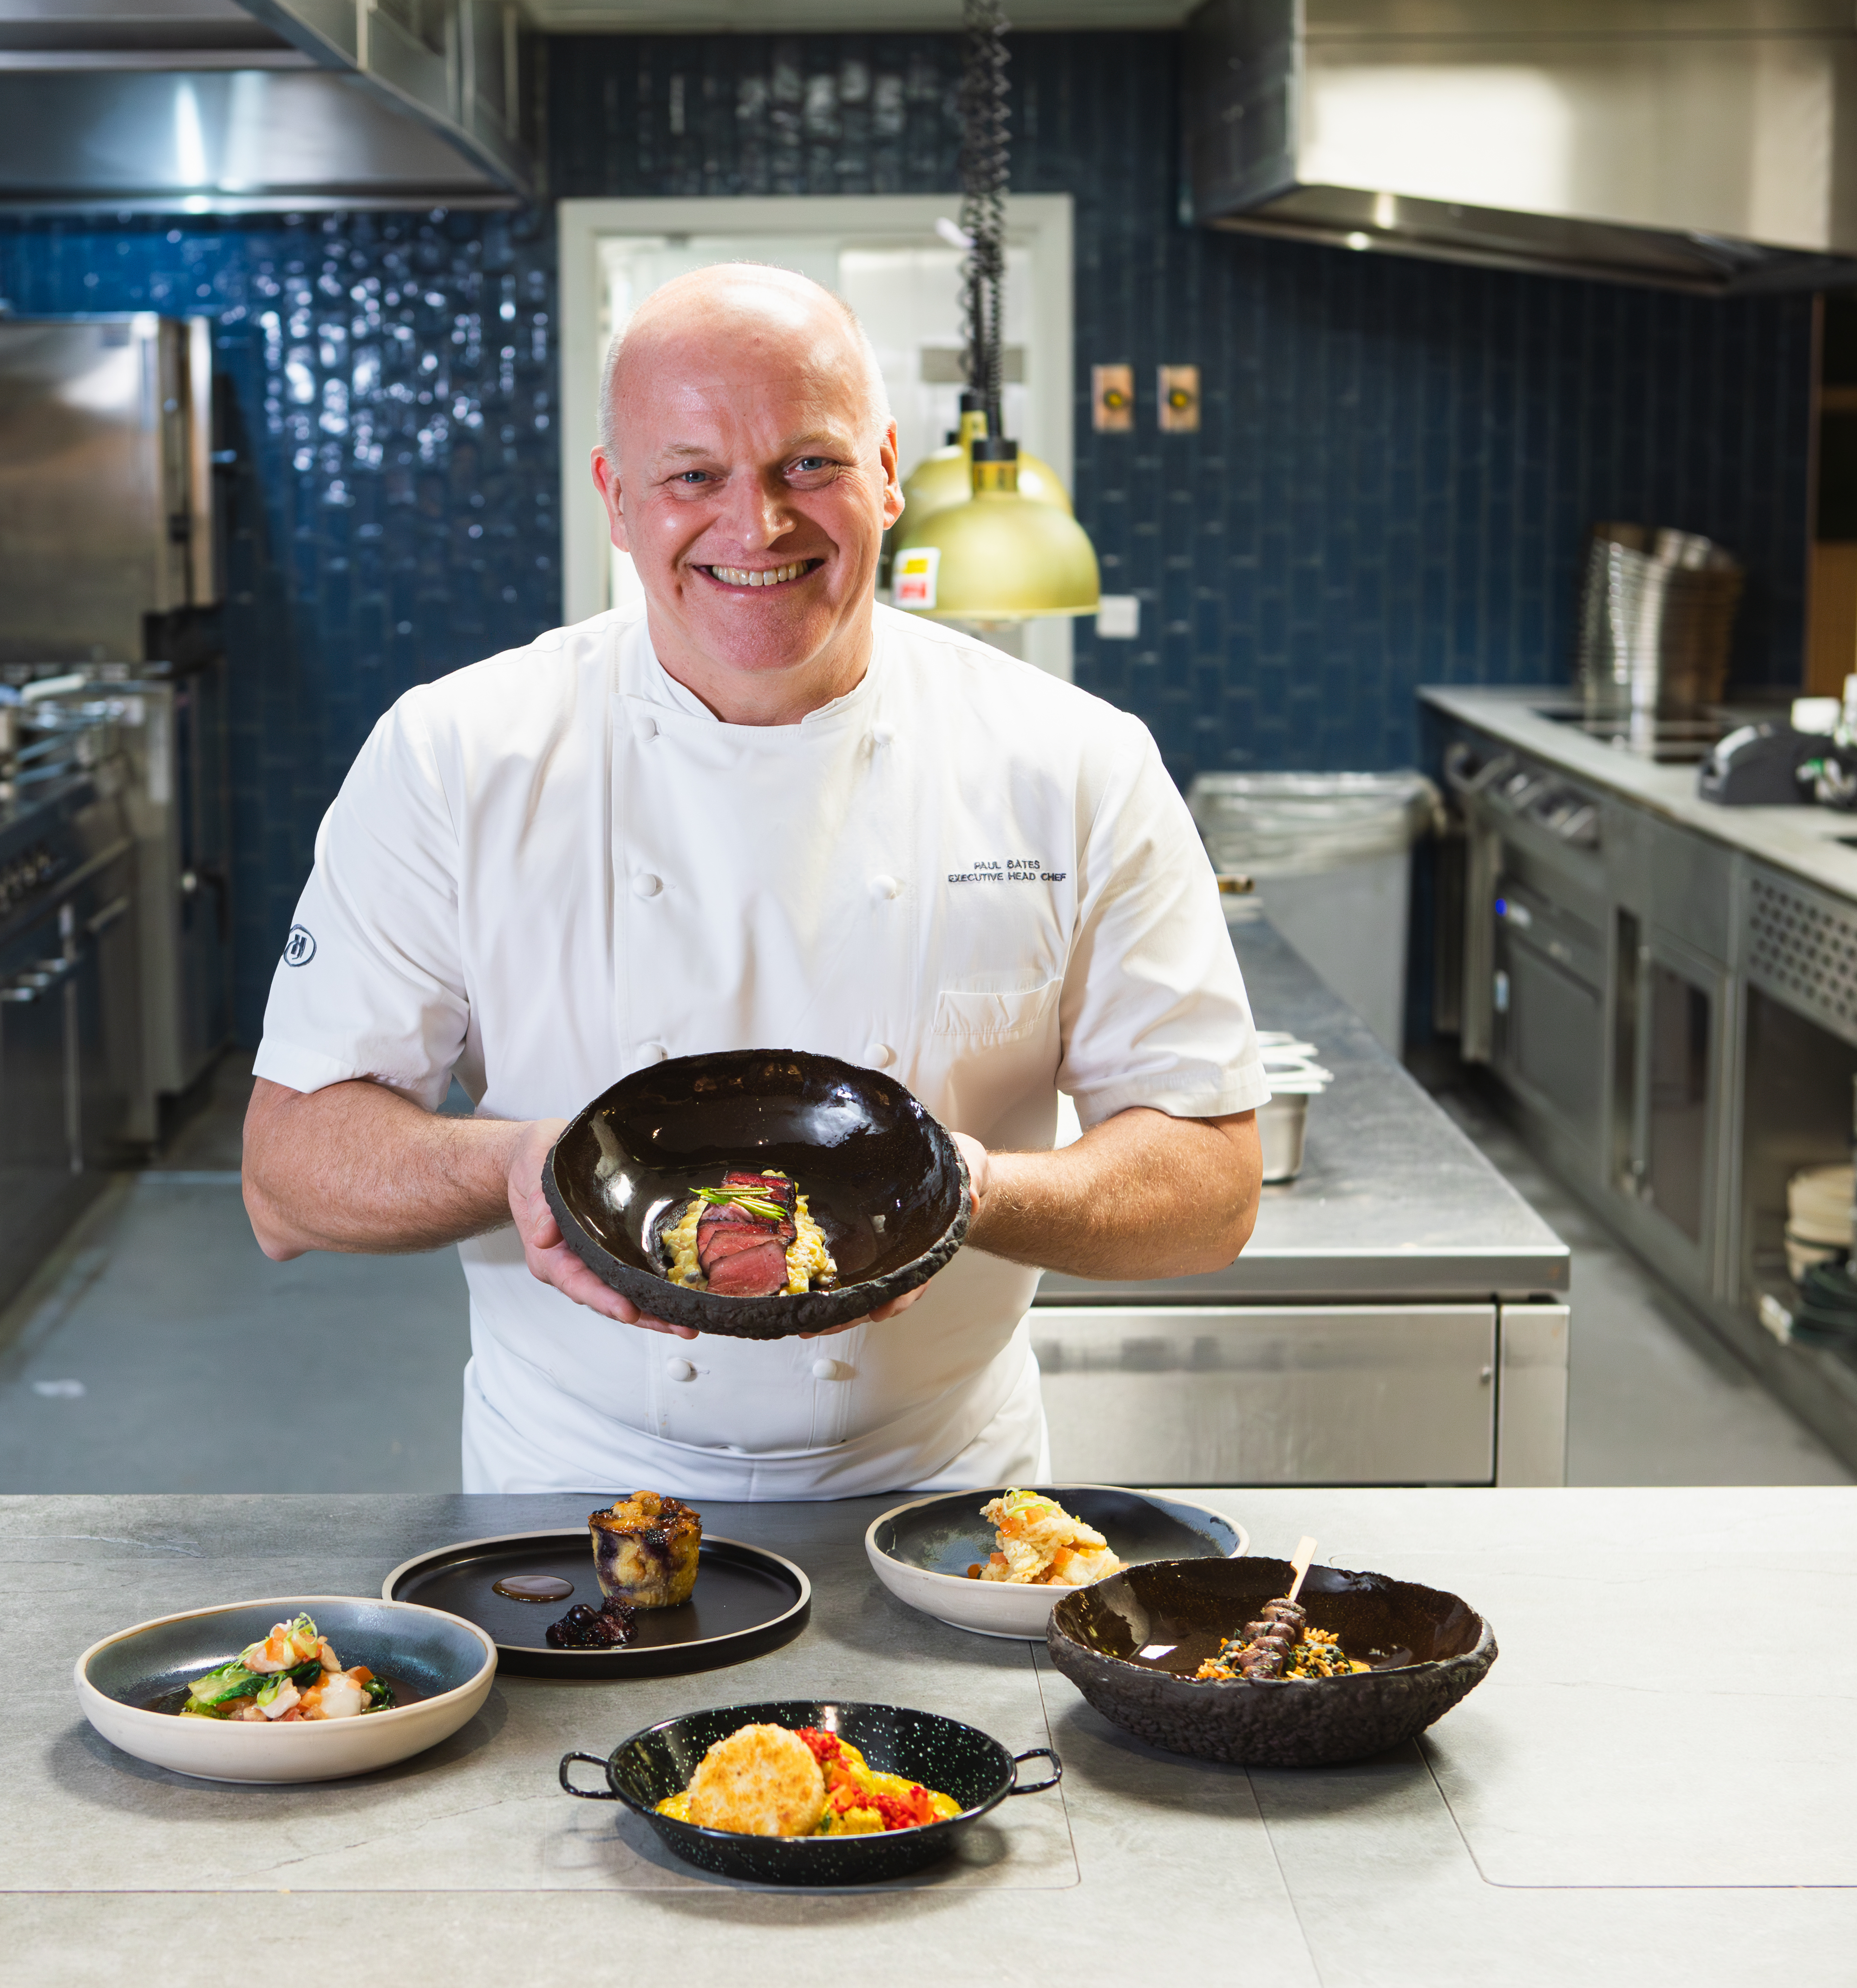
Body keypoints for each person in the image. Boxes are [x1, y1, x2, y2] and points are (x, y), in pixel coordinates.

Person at [240, 262, 1267, 1497]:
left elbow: (1210, 1190)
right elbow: (288, 1172)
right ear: (617, 501)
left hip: (944, 1492)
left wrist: (970, 1190)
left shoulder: (1073, 760)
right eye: (693, 477)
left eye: (809, 465)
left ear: (888, 469)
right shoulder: (457, 754)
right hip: (568, 1490)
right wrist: (522, 1165)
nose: (758, 525)